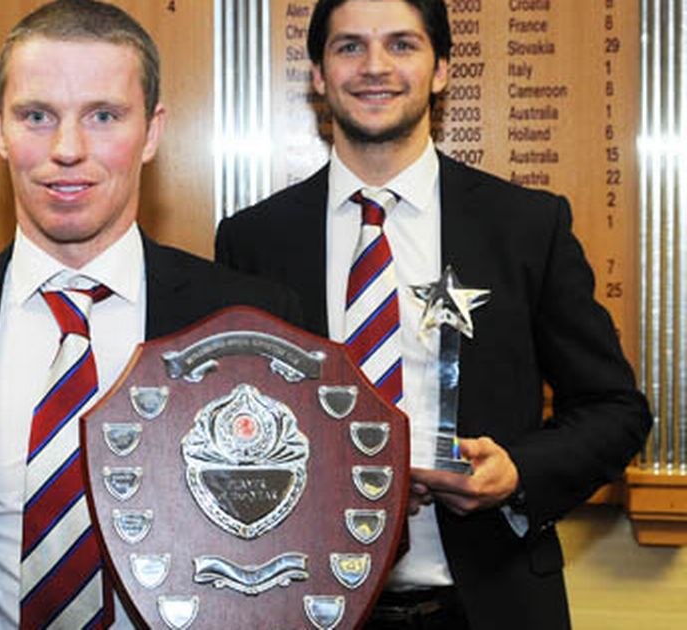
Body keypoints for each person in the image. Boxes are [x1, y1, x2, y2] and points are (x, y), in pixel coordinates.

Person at [0, 1, 300, 628]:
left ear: (153, 130)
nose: (67, 149)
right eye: (37, 116)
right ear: (0, 129)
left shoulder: (249, 325)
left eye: (103, 116)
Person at [215, 0, 651, 628]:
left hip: (488, 606)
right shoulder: (254, 241)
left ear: (442, 69)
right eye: (348, 47)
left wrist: (518, 472)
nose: (374, 67)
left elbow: (616, 411)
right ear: (317, 74)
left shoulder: (526, 227)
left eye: (401, 45)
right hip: (305, 607)